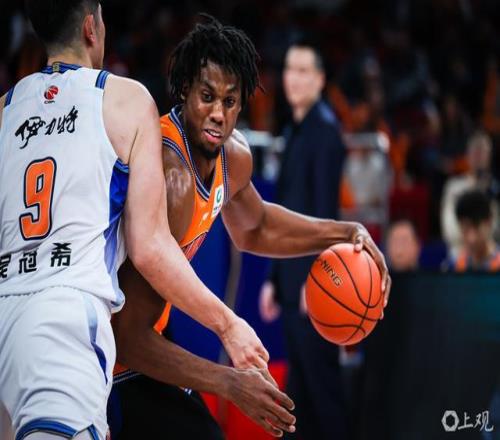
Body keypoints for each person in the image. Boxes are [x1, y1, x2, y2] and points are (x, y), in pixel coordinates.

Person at [111, 18, 391, 440]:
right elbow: (128, 336)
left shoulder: (233, 157)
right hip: (104, 355)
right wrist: (229, 381)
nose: (218, 114)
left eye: (230, 101)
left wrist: (344, 232)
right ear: (184, 89)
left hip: (144, 339)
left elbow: (256, 227)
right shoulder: (172, 175)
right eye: (207, 97)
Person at [0, 3, 269, 439]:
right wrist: (228, 324)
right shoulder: (123, 100)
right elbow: (149, 247)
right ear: (92, 27)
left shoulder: (6, 109)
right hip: (66, 317)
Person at [257, 40, 370, 439]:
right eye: (290, 69)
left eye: (304, 70)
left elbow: (325, 216)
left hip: (314, 288)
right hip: (291, 283)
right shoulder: (295, 130)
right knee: (300, 396)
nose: (294, 78)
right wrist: (273, 279)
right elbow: (283, 214)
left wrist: (315, 279)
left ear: (320, 80)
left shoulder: (325, 132)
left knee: (323, 393)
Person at [441, 131, 500, 257]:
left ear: (489, 157)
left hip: (488, 254)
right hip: (458, 253)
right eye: (475, 152)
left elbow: (495, 225)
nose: (479, 157)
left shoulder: (494, 188)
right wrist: (470, 238)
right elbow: (449, 229)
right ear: (467, 155)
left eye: (483, 153)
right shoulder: (454, 186)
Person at [446, 190, 500, 271]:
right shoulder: (453, 267)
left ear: (489, 222)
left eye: (477, 228)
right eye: (465, 229)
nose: (472, 238)